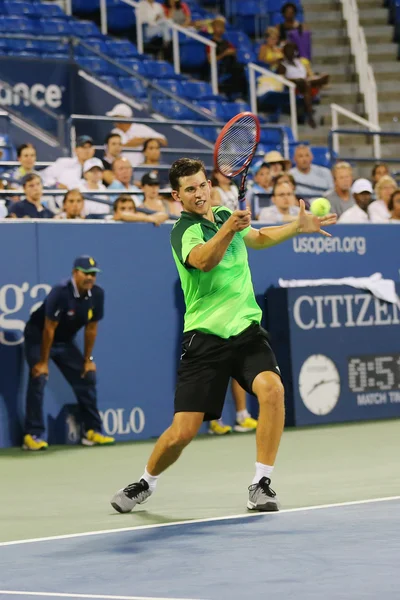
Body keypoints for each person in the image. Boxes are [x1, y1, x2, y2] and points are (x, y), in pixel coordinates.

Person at [110, 158, 336, 514]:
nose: (199, 194)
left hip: (246, 330)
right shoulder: (182, 231)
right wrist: (228, 228)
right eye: (190, 189)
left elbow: (258, 238)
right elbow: (203, 260)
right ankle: (146, 482)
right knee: (183, 432)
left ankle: (260, 484)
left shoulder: (220, 214)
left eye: (202, 186)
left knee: (273, 390)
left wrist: (296, 227)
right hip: (204, 339)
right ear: (177, 196)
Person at [22, 256, 115, 451]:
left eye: (93, 274)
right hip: (39, 337)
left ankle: (92, 431)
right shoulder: (60, 292)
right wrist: (43, 362)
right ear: (75, 273)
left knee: (87, 376)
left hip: (64, 342)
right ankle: (33, 434)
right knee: (39, 377)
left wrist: (88, 360)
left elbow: (91, 328)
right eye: (85, 273)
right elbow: (49, 329)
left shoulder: (97, 294)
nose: (90, 278)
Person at [277, 42, 329, 128]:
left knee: (323, 77)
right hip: (293, 86)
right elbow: (281, 80)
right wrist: (295, 81)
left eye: (292, 50)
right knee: (303, 82)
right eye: (288, 50)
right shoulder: (282, 65)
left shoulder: (299, 62)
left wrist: (313, 77)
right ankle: (309, 114)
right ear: (284, 52)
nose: (291, 52)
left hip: (306, 82)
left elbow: (307, 74)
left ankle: (316, 83)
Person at [107, 103, 167, 169]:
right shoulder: (114, 132)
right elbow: (110, 150)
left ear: (123, 118)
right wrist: (128, 144)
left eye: (115, 117)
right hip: (121, 169)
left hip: (139, 168)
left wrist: (142, 140)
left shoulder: (140, 128)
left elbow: (163, 141)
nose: (114, 121)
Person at [208, 16, 248, 101]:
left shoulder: (227, 43)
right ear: (213, 28)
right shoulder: (210, 43)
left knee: (243, 68)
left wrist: (233, 53)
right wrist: (224, 54)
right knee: (237, 69)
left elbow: (234, 54)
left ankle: (242, 95)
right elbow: (211, 60)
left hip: (231, 65)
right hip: (221, 67)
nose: (220, 29)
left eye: (222, 26)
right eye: (218, 26)